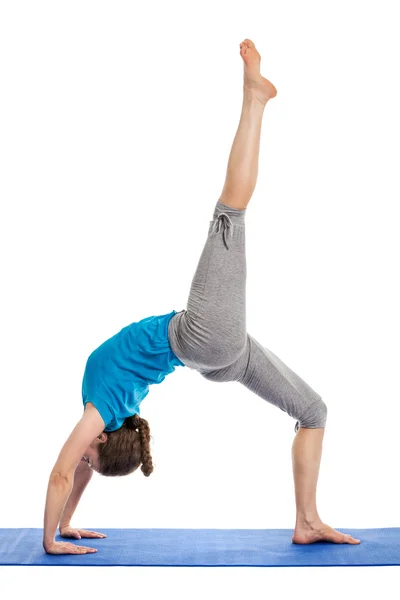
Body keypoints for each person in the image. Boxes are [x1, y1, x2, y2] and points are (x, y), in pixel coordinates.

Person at [43, 39, 360, 555]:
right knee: (229, 211)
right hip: (201, 334)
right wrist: (50, 540)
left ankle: (307, 520)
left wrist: (65, 525)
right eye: (91, 457)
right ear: (102, 438)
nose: (82, 460)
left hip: (218, 359)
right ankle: (252, 98)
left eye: (88, 461)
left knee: (313, 410)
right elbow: (62, 473)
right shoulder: (101, 408)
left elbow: (76, 473)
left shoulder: (109, 407)